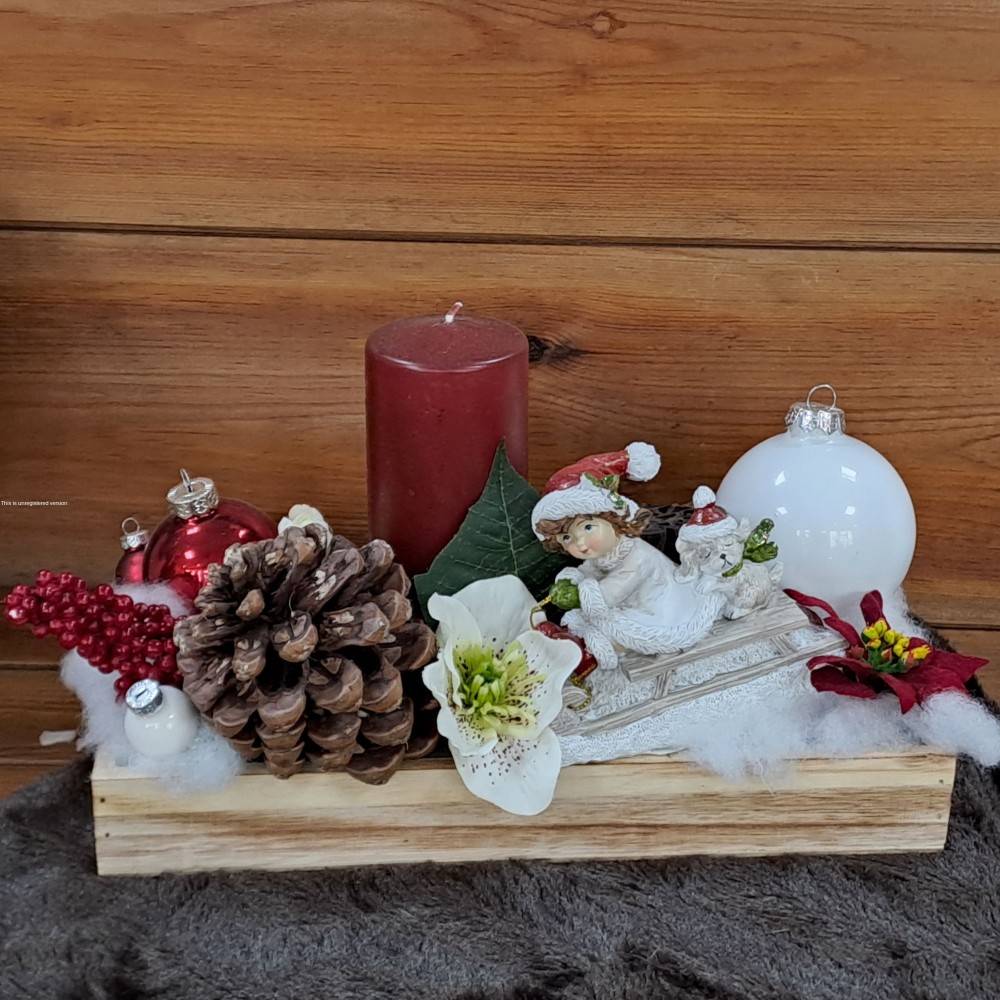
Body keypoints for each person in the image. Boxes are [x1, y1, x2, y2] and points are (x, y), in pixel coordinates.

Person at [532, 443, 724, 672]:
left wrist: (585, 592)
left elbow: (611, 592)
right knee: (593, 615)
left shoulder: (638, 556)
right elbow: (593, 570)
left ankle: (602, 649)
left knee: (620, 628)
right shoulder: (605, 553)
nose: (580, 544)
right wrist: (577, 577)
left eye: (588, 528)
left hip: (658, 608)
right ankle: (582, 643)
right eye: (567, 538)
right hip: (627, 601)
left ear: (614, 521)